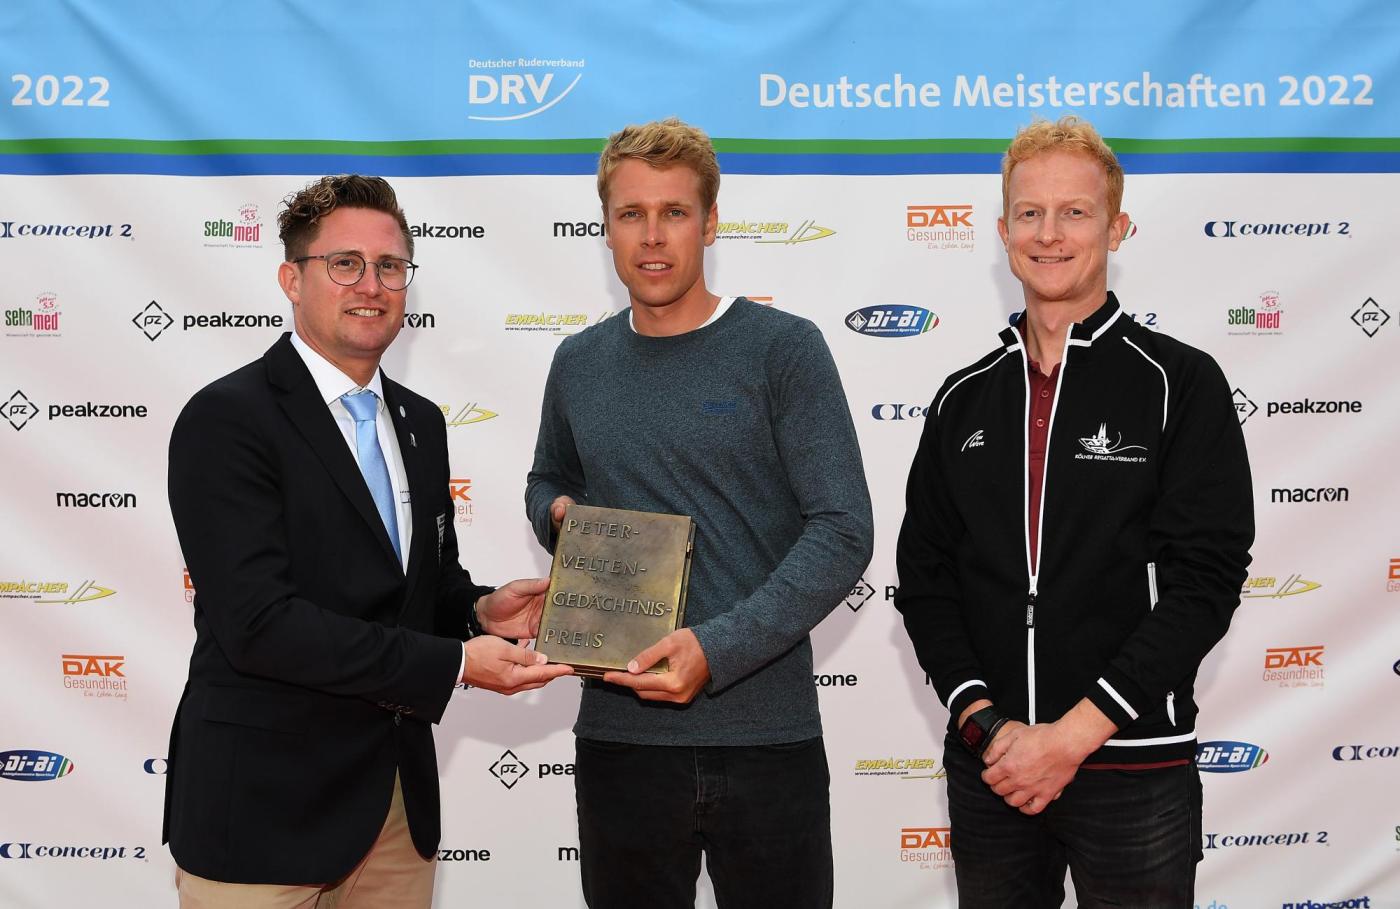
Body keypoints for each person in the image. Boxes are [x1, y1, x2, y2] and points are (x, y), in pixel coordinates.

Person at [164, 174, 571, 907]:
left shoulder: (421, 421)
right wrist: (456, 663)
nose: (371, 285)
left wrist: (479, 611)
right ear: (292, 279)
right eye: (344, 263)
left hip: (393, 812)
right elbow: (259, 625)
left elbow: (420, 587)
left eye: (390, 266)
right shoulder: (227, 419)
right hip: (261, 815)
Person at [894, 117, 1254, 907]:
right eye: (1029, 213)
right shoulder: (962, 398)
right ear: (1003, 232)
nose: (1049, 234)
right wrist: (987, 725)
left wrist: (1074, 733)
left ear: (1116, 228)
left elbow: (1206, 581)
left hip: (1134, 761)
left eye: (1075, 212)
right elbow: (923, 580)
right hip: (993, 769)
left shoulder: (1180, 382)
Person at [525, 118, 873, 908]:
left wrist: (716, 650)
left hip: (765, 736)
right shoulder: (578, 362)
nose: (652, 237)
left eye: (674, 213)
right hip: (620, 738)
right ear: (605, 226)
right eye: (631, 214)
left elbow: (843, 528)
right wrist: (558, 513)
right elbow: (547, 478)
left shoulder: (784, 349)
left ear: (710, 223)